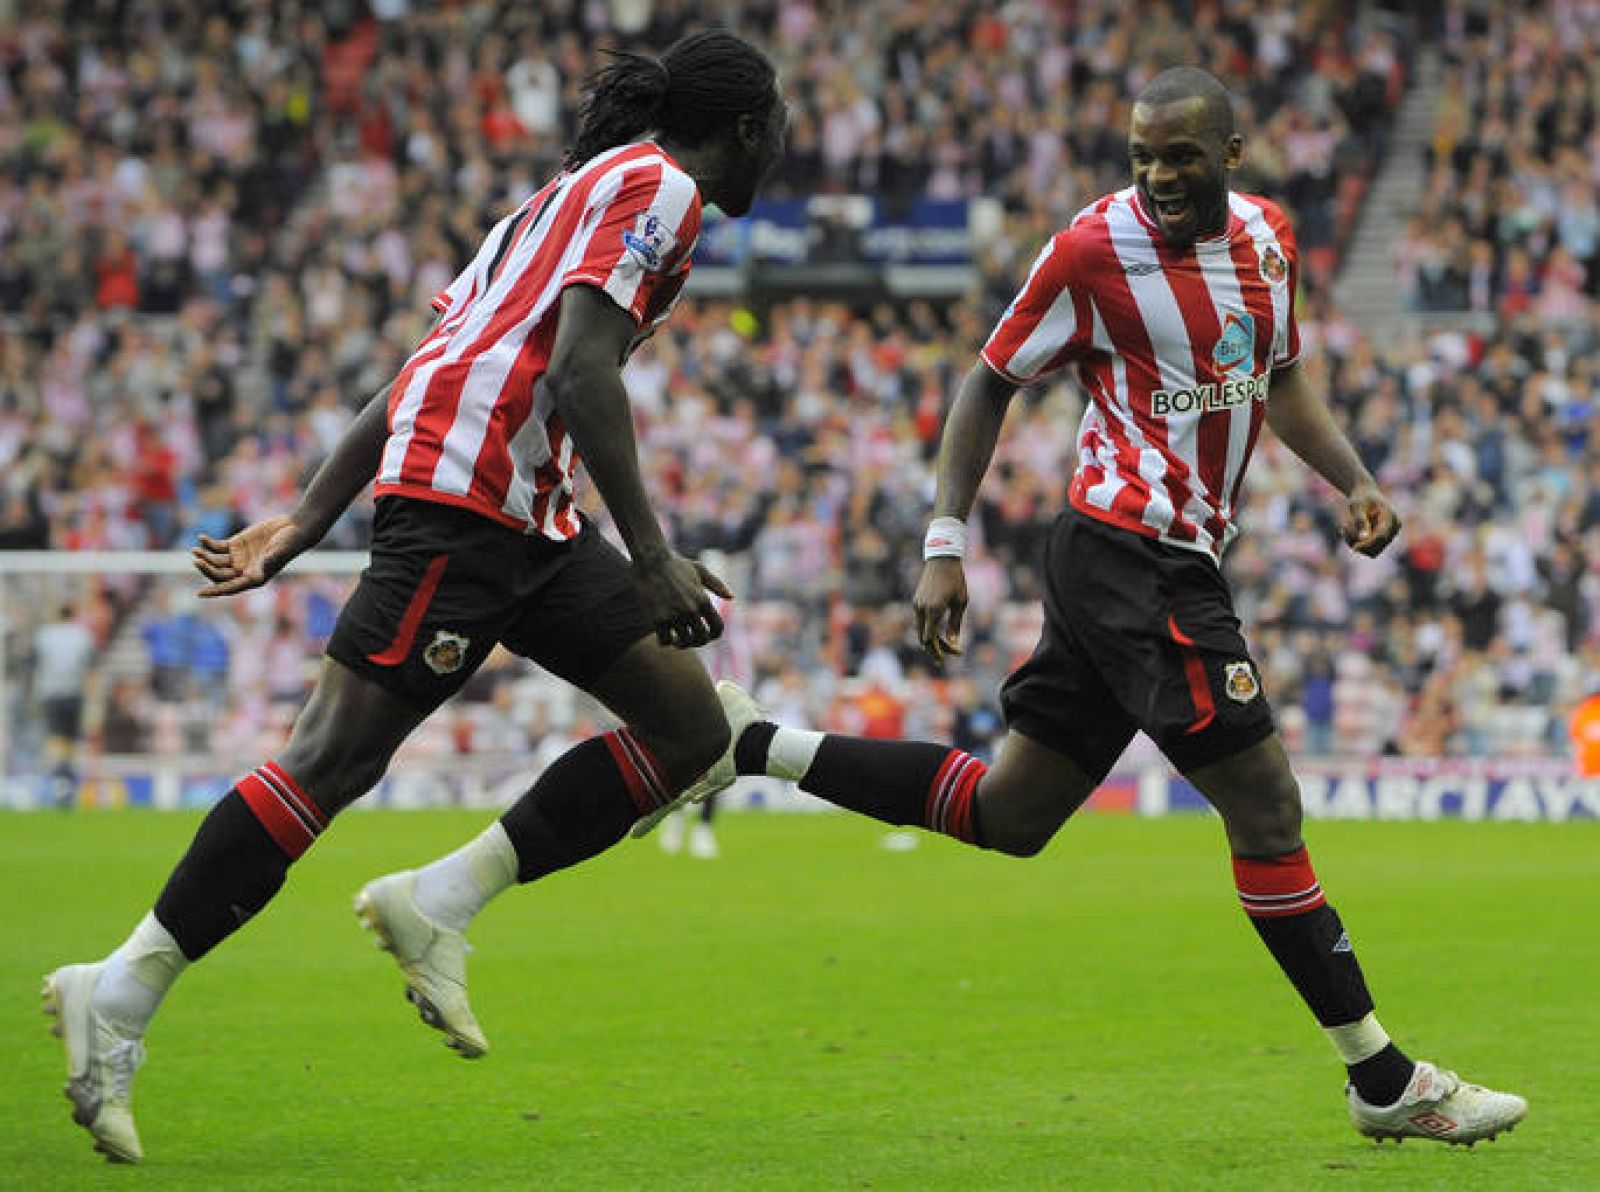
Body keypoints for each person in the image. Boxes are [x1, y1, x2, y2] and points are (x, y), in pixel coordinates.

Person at [648, 67, 1528, 1146]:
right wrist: (944, 539)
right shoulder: (1088, 250)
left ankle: (754, 743)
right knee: (1267, 808)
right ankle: (1383, 1078)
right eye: (1141, 155)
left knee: (1009, 814)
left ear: (1232, 155)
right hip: (1130, 553)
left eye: (1180, 157)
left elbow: (1280, 377)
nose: (1158, 176)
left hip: (1164, 558)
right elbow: (987, 380)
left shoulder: (1267, 243)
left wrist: (1351, 478)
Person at [44, 30, 789, 1164]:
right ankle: (122, 988)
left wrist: (304, 519)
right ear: (747, 128)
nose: (776, 153)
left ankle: (438, 900)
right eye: (775, 134)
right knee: (330, 758)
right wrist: (652, 553)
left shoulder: (554, 199)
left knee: (689, 722)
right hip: (466, 500)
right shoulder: (663, 191)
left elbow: (420, 363)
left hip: (526, 509)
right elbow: (582, 372)